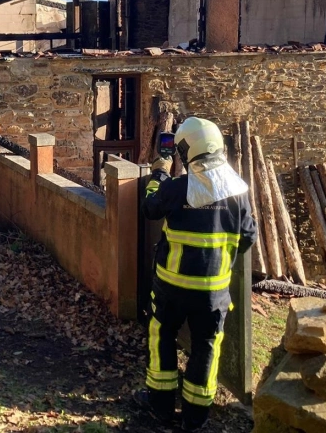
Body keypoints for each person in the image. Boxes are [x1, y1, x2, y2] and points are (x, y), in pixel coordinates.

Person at [134, 117, 256, 431]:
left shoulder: (177, 188)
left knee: (162, 339)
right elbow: (248, 238)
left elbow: (149, 208)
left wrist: (159, 173)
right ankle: (195, 418)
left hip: (171, 287)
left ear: (187, 150)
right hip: (213, 294)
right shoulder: (239, 192)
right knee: (206, 348)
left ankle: (160, 407)